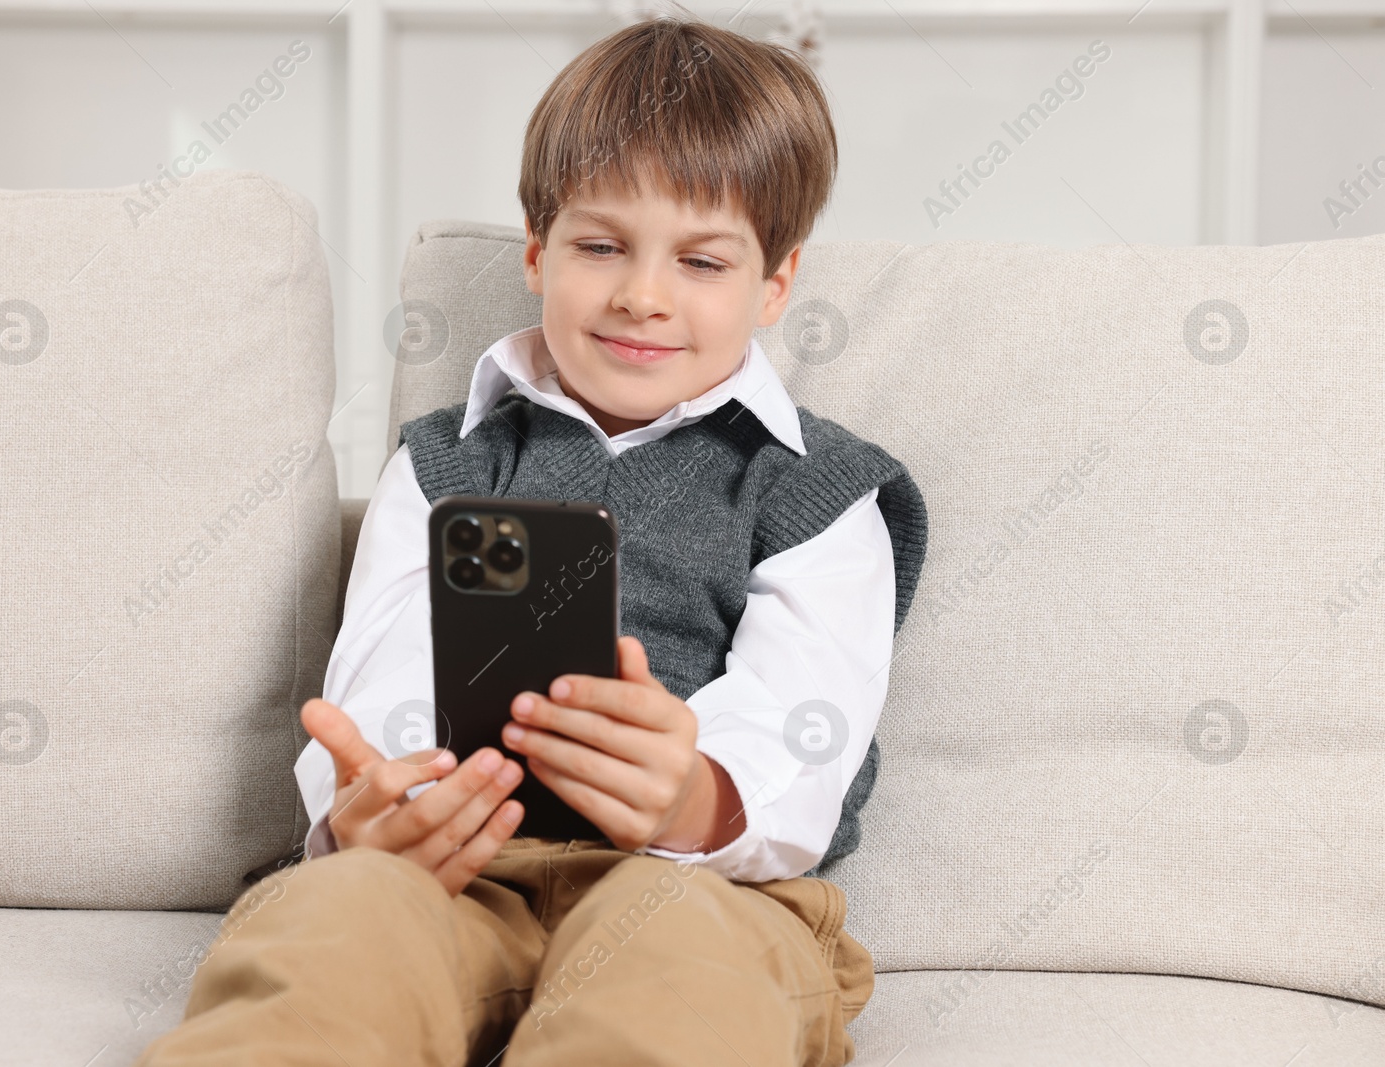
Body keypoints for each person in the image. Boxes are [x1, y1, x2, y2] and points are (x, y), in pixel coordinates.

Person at [136, 14, 927, 1067]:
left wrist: (691, 793)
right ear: (537, 250)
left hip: (698, 889)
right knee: (336, 924)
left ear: (772, 284)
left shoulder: (821, 491)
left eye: (701, 260)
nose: (642, 293)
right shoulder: (444, 466)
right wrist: (374, 816)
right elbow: (380, 688)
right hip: (453, 877)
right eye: (600, 247)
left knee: (682, 966)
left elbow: (804, 736)